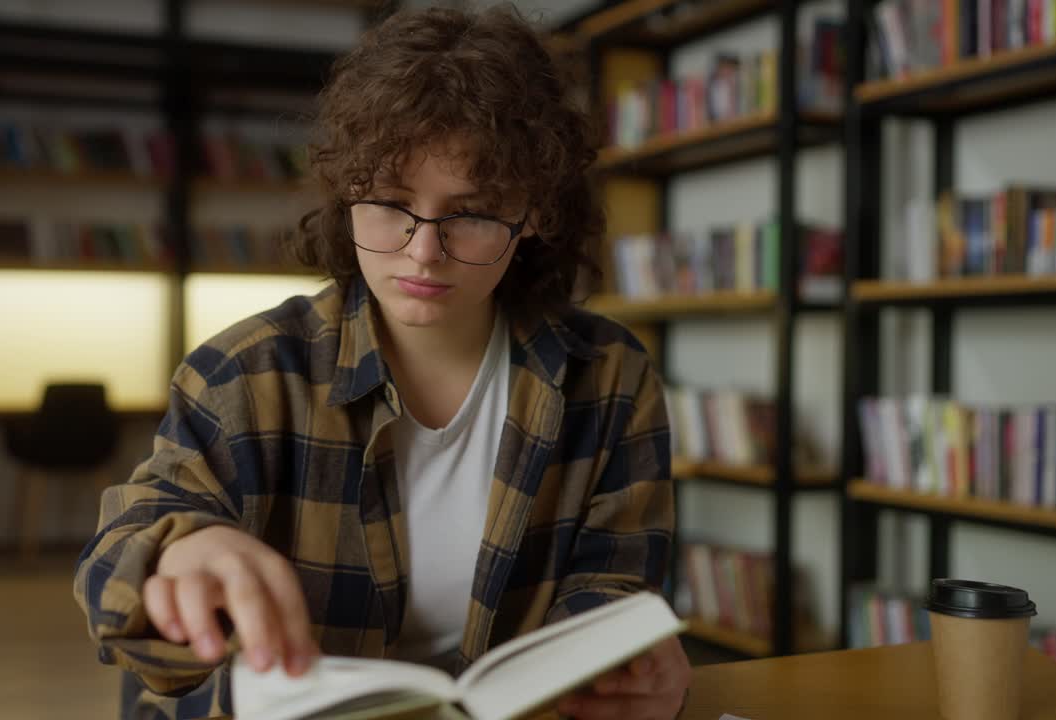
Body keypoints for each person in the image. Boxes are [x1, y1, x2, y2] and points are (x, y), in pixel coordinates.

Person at [74, 5, 690, 719]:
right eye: (391, 203)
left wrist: (620, 670)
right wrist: (180, 551)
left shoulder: (609, 375)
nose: (423, 251)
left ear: (534, 215)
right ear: (346, 192)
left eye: (473, 212)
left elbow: (611, 589)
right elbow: (126, 547)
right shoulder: (242, 372)